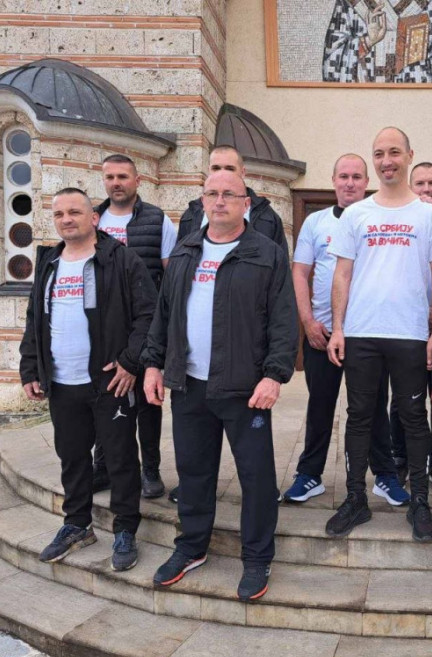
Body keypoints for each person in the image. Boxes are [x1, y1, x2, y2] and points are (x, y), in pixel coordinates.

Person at [143, 170, 297, 602]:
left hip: (244, 387)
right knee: (193, 472)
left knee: (256, 477)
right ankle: (192, 547)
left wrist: (274, 375)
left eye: (230, 194)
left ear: (246, 203)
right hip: (189, 383)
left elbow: (284, 320)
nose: (220, 200)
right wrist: (153, 364)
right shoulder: (186, 248)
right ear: (202, 201)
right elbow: (164, 313)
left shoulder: (265, 253)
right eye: (212, 193)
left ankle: (257, 556)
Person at [19, 187, 156, 573]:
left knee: (120, 459)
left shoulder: (120, 259)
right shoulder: (49, 263)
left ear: (93, 218)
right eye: (59, 213)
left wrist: (130, 363)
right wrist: (30, 368)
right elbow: (34, 319)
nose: (67, 219)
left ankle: (125, 529)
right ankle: (77, 524)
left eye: (75, 212)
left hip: (110, 382)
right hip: (62, 383)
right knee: (72, 458)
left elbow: (149, 314)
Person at [325, 127, 432, 542]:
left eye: (394, 152)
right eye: (379, 153)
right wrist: (338, 328)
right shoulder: (356, 214)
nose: (386, 161)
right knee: (359, 417)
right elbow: (342, 274)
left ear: (410, 155)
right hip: (362, 332)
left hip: (409, 334)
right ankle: (355, 498)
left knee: (413, 418)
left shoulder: (430, 216)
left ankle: (420, 502)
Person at [283, 153, 408, 505]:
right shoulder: (316, 222)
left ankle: (384, 475)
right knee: (320, 406)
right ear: (334, 181)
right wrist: (308, 322)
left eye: (356, 176)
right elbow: (300, 273)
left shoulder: (377, 218)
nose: (350, 182)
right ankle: (310, 474)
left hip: (366, 335)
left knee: (373, 407)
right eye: (344, 176)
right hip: (321, 334)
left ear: (366, 182)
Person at [92, 154, 177, 500]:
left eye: (123, 176)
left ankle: (150, 470)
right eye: (110, 177)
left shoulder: (157, 220)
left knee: (147, 402)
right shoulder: (92, 220)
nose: (116, 182)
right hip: (103, 328)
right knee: (105, 397)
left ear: (137, 180)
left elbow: (171, 276)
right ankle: (103, 466)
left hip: (146, 326)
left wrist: (167, 325)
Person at [389, 162, 432, 493]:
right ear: (410, 187)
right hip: (408, 327)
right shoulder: (400, 223)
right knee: (402, 398)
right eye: (420, 183)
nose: (426, 189)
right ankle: (400, 458)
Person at [177, 145, 288, 257]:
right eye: (216, 168)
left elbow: (279, 261)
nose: (222, 173)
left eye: (229, 169)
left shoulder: (267, 216)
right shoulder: (191, 215)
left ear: (243, 172)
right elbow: (179, 259)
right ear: (208, 170)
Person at [322, 0, 432, 84]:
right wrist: (367, 42)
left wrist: (405, 67)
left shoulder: (428, 4)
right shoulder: (351, 3)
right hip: (363, 104)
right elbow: (331, 69)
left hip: (409, 106)